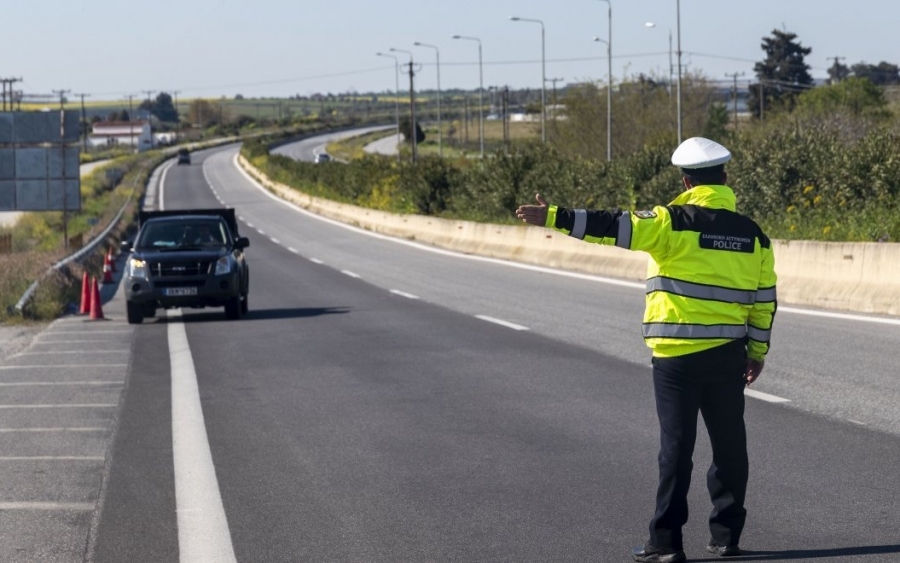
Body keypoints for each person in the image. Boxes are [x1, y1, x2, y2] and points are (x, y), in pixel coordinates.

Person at [515, 137, 776, 563]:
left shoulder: (670, 220)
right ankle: (727, 536)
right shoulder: (754, 236)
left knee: (676, 448)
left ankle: (666, 544)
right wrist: (757, 352)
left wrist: (554, 217)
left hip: (676, 357)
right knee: (730, 446)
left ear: (686, 180)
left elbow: (609, 225)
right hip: (729, 355)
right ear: (725, 179)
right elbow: (764, 300)